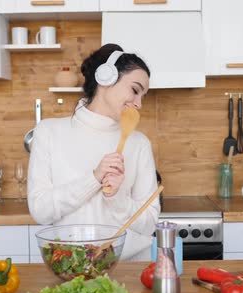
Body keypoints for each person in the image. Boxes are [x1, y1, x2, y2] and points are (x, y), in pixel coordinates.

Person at [27, 43, 160, 261]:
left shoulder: (139, 143)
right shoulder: (49, 132)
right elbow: (41, 211)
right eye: (135, 90)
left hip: (130, 267)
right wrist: (94, 179)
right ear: (105, 78)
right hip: (72, 266)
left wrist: (116, 198)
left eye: (143, 96)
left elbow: (149, 223)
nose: (139, 104)